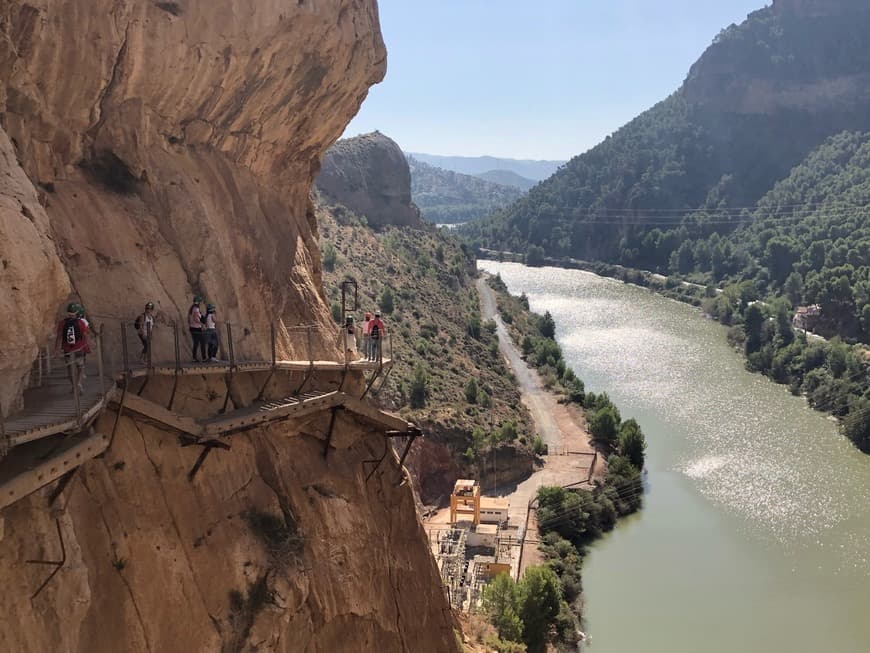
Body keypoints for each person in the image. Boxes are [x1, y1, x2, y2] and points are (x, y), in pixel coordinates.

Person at [56, 303, 89, 393]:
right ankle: (79, 383)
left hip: (67, 350)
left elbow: (59, 337)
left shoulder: (62, 323)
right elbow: (85, 336)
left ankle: (74, 386)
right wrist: (87, 347)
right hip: (79, 349)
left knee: (70, 369)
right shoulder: (81, 322)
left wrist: (57, 350)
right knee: (80, 367)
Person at [188, 295, 207, 362]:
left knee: (196, 343)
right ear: (198, 302)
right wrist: (202, 324)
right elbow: (196, 318)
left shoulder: (192, 308)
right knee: (202, 342)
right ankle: (204, 358)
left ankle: (194, 358)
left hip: (192, 327)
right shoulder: (196, 308)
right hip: (196, 328)